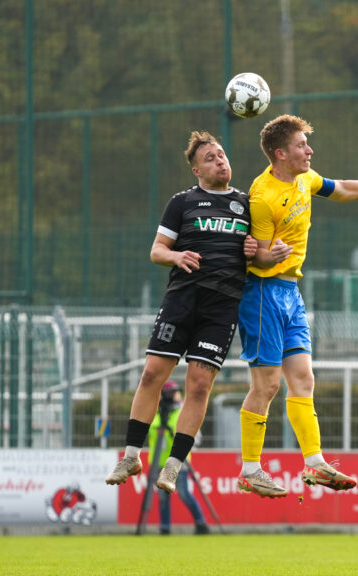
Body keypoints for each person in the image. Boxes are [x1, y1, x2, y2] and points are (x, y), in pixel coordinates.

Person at [236, 114, 358, 498]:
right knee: (268, 384)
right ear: (280, 153)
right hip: (262, 292)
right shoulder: (262, 196)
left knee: (304, 380)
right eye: (301, 145)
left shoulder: (305, 179)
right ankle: (250, 470)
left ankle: (314, 465)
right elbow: (254, 257)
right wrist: (268, 256)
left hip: (291, 293)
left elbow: (341, 189)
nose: (309, 150)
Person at [105, 131, 256, 495]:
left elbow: (262, 254)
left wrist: (256, 250)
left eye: (222, 155)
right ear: (196, 171)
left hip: (221, 310)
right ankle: (130, 455)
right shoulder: (183, 203)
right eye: (210, 158)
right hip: (181, 302)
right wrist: (176, 255)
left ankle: (173, 465)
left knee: (199, 386)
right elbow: (157, 250)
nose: (220, 161)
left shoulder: (248, 205)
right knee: (151, 375)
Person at [148, 381, 210, 535]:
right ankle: (165, 528)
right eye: (171, 392)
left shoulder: (182, 411)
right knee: (163, 498)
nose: (175, 395)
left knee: (184, 494)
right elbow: (150, 431)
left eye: (176, 392)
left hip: (179, 462)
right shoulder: (157, 413)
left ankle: (201, 523)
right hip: (159, 462)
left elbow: (194, 436)